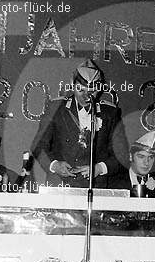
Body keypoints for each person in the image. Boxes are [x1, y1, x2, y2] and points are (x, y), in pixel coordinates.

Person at [31, 59, 124, 189]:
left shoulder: (110, 113)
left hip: (95, 187)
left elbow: (122, 154)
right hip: (60, 186)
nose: (86, 96)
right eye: (81, 90)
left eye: (91, 91)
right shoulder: (56, 108)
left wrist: (99, 168)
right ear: (73, 85)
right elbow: (38, 145)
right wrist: (54, 165)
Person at [109, 129, 155, 198]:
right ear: (131, 156)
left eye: (151, 157)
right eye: (141, 156)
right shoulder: (114, 180)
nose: (146, 162)